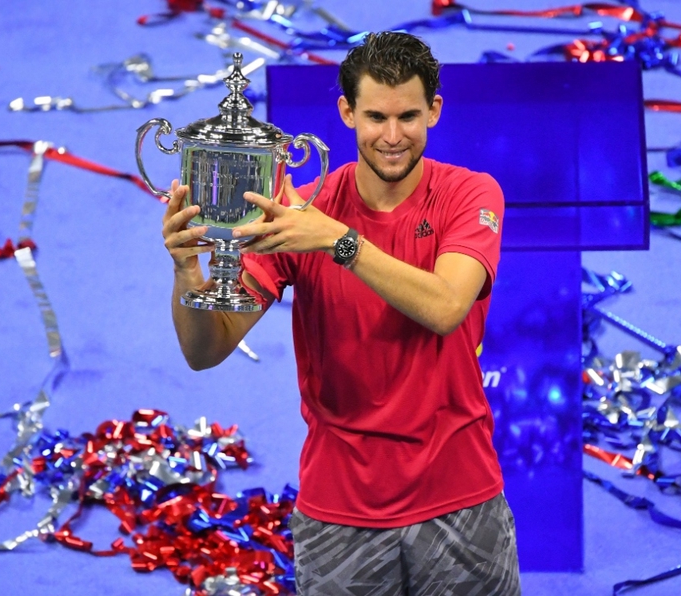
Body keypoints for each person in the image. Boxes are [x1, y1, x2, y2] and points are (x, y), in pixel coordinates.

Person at [162, 31, 520, 595]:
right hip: (338, 508)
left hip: (460, 495)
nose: (394, 136)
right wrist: (188, 274)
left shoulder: (470, 194)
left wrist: (339, 242)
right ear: (346, 112)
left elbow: (447, 306)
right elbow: (206, 351)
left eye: (409, 116)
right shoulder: (300, 215)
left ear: (435, 110)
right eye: (376, 116)